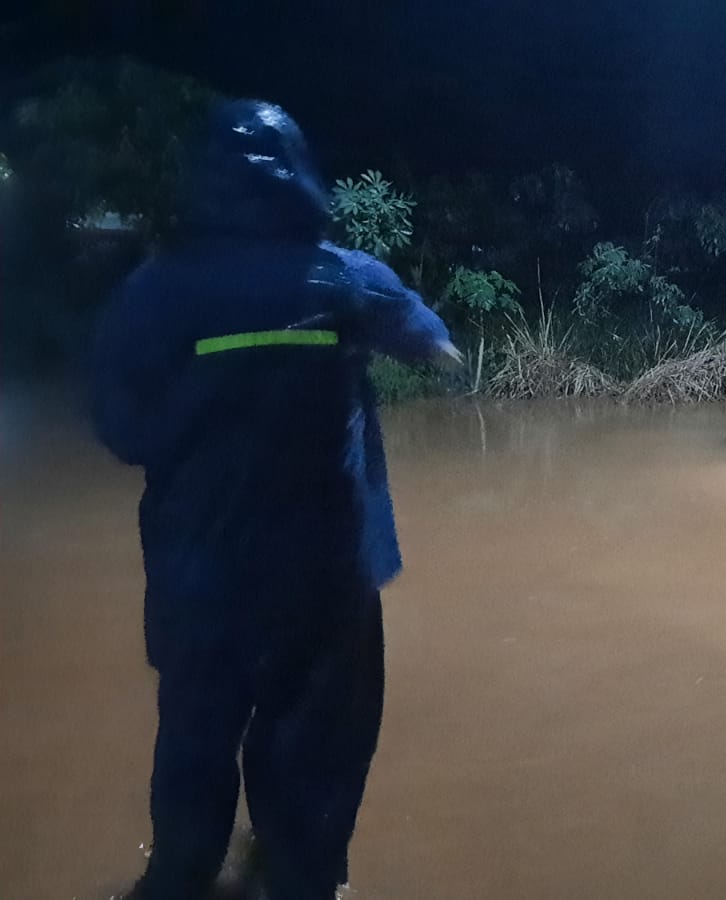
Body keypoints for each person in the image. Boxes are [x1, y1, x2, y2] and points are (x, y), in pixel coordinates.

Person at [92, 100, 460, 900]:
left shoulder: (154, 291)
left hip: (197, 579)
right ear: (298, 177)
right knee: (318, 744)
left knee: (195, 735)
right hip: (322, 580)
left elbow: (119, 429)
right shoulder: (345, 277)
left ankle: (182, 872)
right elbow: (438, 347)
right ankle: (299, 875)